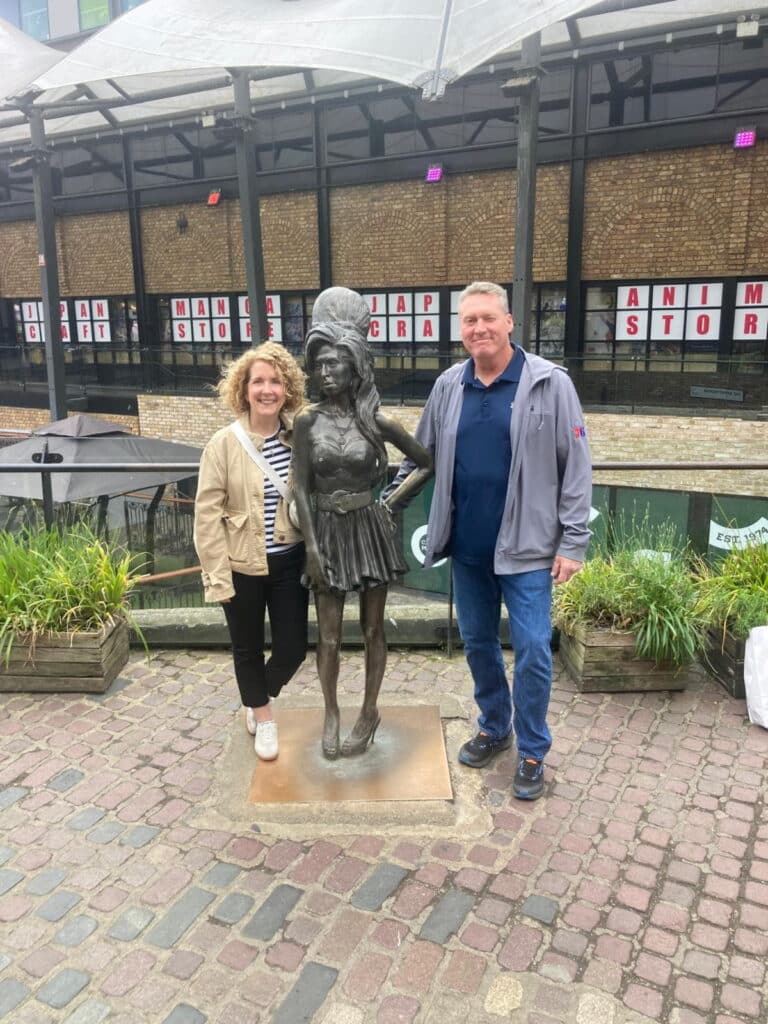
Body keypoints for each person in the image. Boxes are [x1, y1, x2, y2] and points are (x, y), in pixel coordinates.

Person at [387, 281, 592, 800]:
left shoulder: (550, 384)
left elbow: (577, 470)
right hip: (469, 548)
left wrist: (573, 543)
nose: (478, 328)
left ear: (509, 323)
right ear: (462, 330)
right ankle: (495, 727)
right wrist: (388, 498)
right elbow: (419, 454)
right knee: (478, 644)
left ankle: (532, 750)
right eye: (469, 320)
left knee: (532, 652)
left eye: (487, 318)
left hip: (528, 550)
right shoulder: (449, 386)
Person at [292, 289, 432, 759]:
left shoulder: (378, 421)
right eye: (320, 364)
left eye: (335, 363)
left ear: (356, 367)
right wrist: (311, 548)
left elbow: (426, 462)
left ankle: (369, 709)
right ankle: (330, 711)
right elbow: (299, 487)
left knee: (373, 629)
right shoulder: (306, 423)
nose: (325, 372)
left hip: (370, 529)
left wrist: (391, 503)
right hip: (327, 533)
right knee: (328, 634)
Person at [194, 342, 308, 762]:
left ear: (287, 388)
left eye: (275, 380)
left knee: (293, 648)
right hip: (241, 564)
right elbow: (206, 517)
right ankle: (264, 715)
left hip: (289, 561)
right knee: (246, 647)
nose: (267, 389)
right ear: (244, 390)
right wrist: (217, 576)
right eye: (258, 381)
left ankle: (255, 694)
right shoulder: (223, 444)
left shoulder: (300, 436)